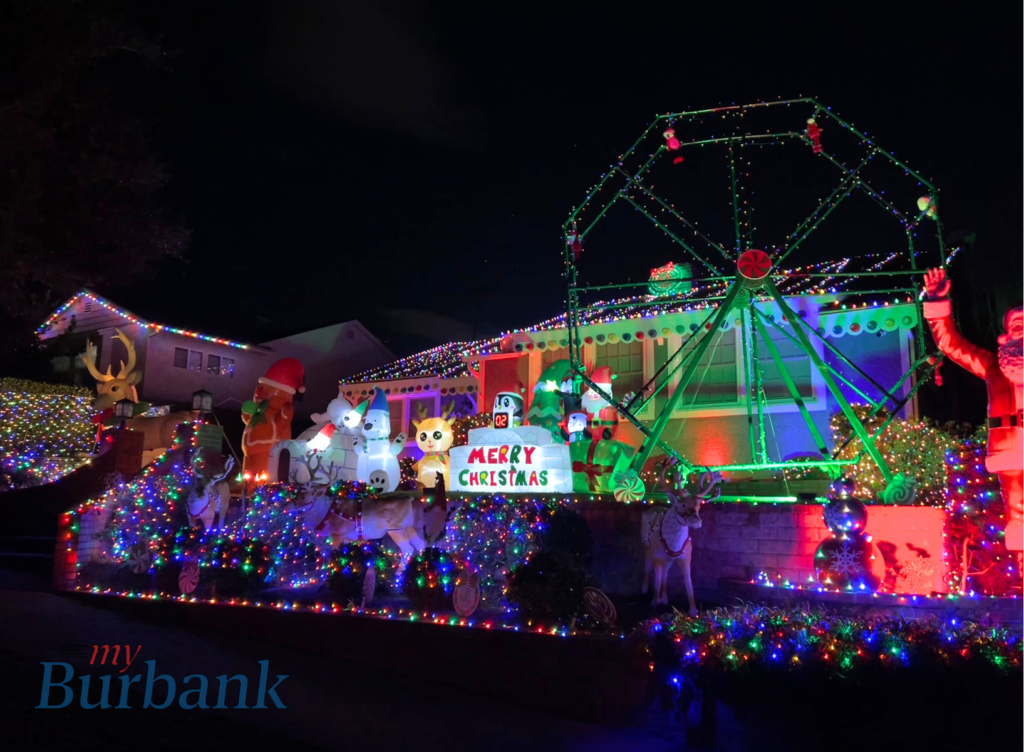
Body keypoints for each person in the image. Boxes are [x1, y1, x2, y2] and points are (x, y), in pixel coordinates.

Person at [923, 267, 1022, 551]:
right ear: (1006, 332)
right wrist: (937, 303)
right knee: (1017, 512)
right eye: (1015, 322)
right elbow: (951, 345)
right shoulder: (993, 365)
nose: (1021, 325)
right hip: (1009, 449)